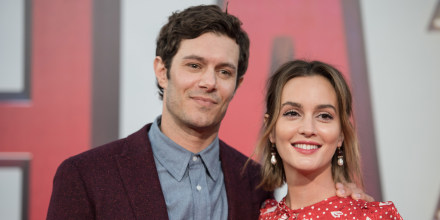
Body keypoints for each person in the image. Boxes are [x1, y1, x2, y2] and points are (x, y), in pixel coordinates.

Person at [47, 5, 370, 219]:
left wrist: (349, 204)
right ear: (162, 71)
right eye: (194, 65)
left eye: (224, 71)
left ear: (237, 83)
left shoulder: (255, 184)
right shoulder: (86, 176)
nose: (208, 82)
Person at [257, 60, 402, 219]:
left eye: (324, 116)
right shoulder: (260, 214)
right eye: (292, 113)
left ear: (341, 134)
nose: (308, 129)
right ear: (270, 129)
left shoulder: (376, 217)